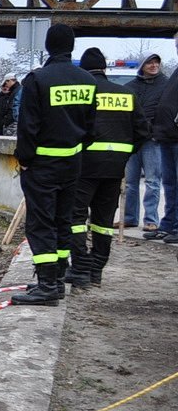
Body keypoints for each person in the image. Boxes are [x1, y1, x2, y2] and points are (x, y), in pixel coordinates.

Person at [11, 23, 98, 306]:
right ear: (71, 47)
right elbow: (91, 128)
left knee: (40, 223)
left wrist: (24, 160)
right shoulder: (87, 80)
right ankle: (58, 279)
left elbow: (28, 127)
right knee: (63, 221)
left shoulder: (37, 79)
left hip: (41, 165)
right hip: (72, 163)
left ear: (48, 46)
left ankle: (47, 285)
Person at [64, 48, 149, 290]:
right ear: (105, 69)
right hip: (114, 168)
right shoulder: (127, 94)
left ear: (84, 70)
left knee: (76, 219)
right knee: (103, 221)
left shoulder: (83, 95)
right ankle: (96, 271)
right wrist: (123, 153)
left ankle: (79, 268)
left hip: (84, 166)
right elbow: (142, 132)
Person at [123, 53, 167, 230]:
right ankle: (129, 218)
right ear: (143, 66)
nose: (154, 65)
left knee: (152, 181)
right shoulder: (131, 87)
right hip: (133, 139)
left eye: (156, 62)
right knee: (130, 182)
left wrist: (158, 132)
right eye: (150, 62)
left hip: (152, 140)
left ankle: (151, 220)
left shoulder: (166, 84)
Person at [146, 36, 178, 243]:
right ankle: (169, 224)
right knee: (170, 183)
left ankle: (175, 227)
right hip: (167, 136)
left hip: (175, 135)